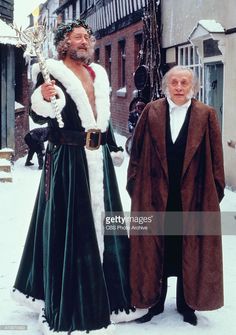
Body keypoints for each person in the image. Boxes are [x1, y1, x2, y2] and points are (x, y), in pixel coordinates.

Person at [12, 19, 146, 334]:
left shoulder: (97, 74)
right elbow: (37, 114)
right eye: (77, 36)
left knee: (106, 227)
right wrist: (44, 96)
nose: (84, 40)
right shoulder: (50, 72)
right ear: (63, 43)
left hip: (98, 160)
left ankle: (112, 297)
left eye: (87, 36)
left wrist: (112, 145)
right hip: (67, 161)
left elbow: (102, 118)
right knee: (69, 227)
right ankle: (67, 301)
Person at [127, 66, 225, 326]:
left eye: (184, 82)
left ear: (193, 87)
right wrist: (135, 186)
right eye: (174, 82)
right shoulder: (152, 111)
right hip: (154, 195)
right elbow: (135, 153)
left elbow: (216, 159)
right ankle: (153, 301)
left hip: (193, 196)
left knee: (189, 248)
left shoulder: (206, 114)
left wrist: (213, 192)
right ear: (166, 86)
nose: (179, 87)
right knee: (154, 248)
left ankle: (187, 304)